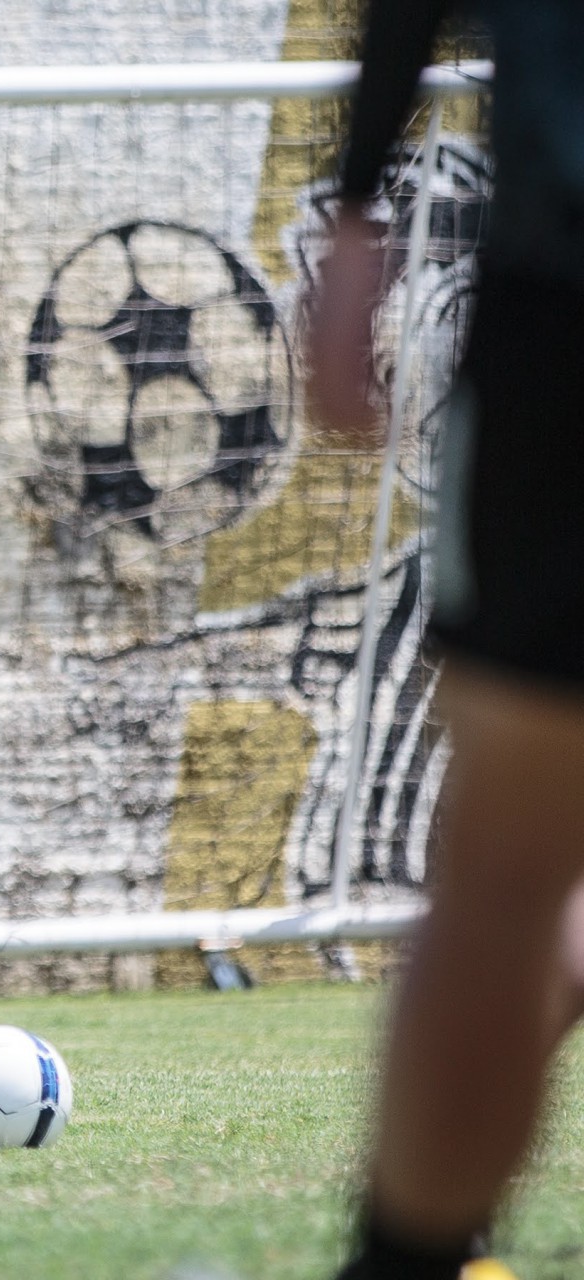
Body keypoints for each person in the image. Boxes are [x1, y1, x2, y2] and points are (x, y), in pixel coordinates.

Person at [308, 3, 584, 1276]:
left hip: (558, 303)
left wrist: (358, 210)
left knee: (512, 865)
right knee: (520, 868)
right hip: (558, 300)